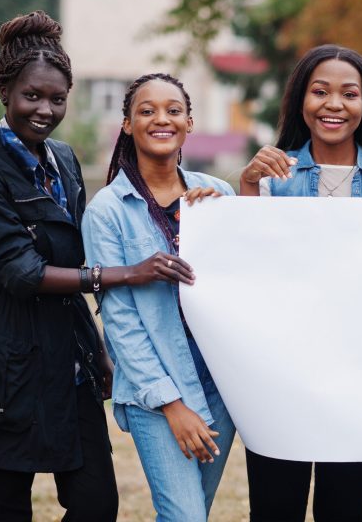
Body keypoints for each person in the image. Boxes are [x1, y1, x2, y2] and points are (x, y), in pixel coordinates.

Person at [0, 11, 190, 521]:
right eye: (31, 96)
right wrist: (126, 273)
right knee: (2, 509)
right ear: (4, 92)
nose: (44, 109)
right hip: (7, 358)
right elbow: (20, 272)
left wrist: (98, 351)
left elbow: (74, 250)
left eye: (57, 98)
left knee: (96, 503)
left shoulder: (62, 159)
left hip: (69, 356)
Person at [238, 44, 362, 522]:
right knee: (274, 508)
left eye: (349, 94)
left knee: (346, 510)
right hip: (280, 374)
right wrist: (248, 188)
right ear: (299, 102)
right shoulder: (272, 175)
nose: (334, 104)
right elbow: (247, 266)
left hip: (357, 378)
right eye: (320, 91)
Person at [81, 73, 236, 521]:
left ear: (190, 121)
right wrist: (173, 406)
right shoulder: (108, 211)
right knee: (185, 518)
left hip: (218, 384)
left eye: (173, 110)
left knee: (192, 514)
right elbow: (120, 322)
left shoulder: (215, 193)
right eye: (146, 111)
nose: (160, 119)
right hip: (156, 391)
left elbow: (241, 283)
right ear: (127, 124)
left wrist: (222, 218)